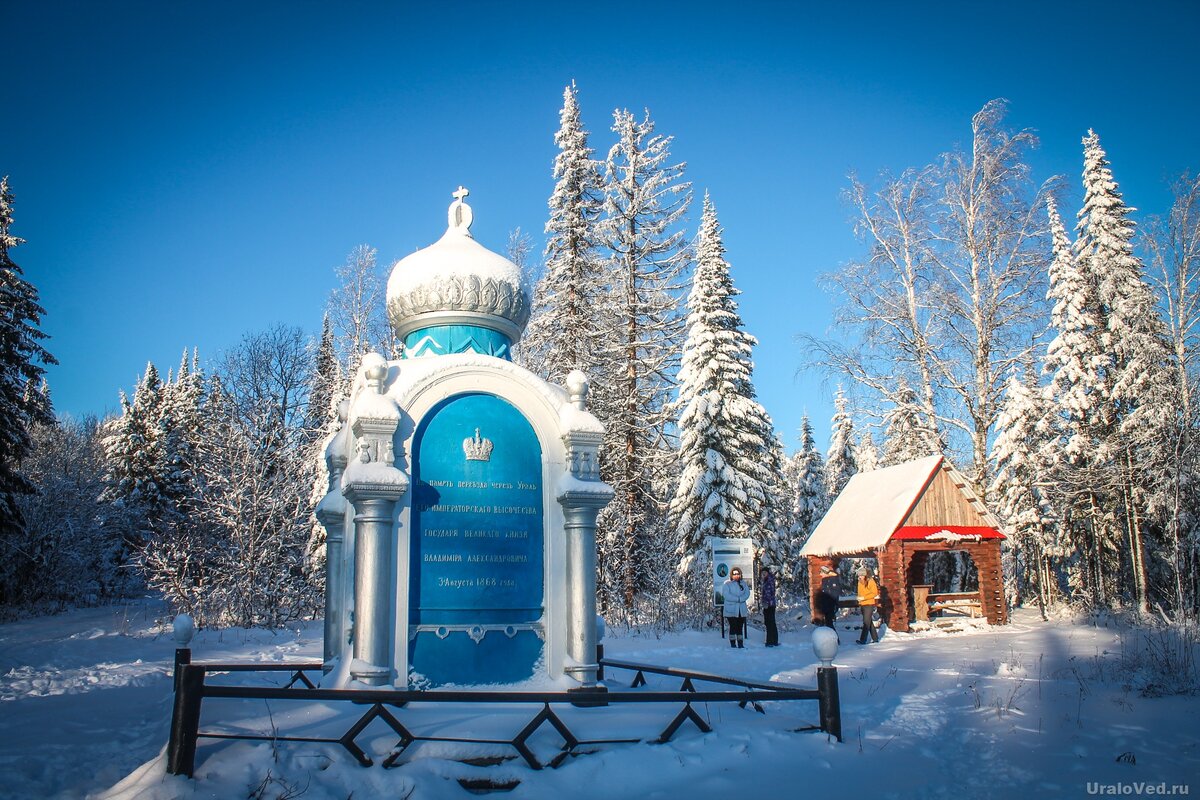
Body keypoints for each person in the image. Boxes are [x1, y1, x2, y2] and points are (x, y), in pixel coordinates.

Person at [721, 567, 752, 648]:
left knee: (740, 627)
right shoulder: (727, 584)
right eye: (734, 574)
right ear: (731, 575)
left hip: (741, 609)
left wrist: (741, 599)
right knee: (733, 626)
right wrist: (737, 599)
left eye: (738, 574)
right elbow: (726, 595)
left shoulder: (743, 583)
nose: (736, 575)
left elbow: (747, 593)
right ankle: (733, 643)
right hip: (731, 610)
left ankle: (740, 643)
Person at [856, 566, 880, 644]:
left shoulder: (870, 581)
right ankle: (875, 638)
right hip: (863, 604)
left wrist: (864, 598)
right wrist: (859, 599)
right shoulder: (859, 582)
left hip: (869, 603)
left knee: (866, 622)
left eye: (861, 575)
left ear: (865, 575)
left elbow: (874, 593)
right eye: (859, 575)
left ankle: (863, 640)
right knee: (869, 622)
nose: (859, 577)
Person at [815, 564, 841, 629]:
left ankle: (835, 638)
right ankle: (832, 638)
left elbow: (835, 593)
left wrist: (835, 605)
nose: (820, 574)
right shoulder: (824, 580)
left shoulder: (833, 579)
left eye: (821, 572)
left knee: (829, 624)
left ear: (825, 572)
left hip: (831, 606)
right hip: (826, 606)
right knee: (828, 624)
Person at [760, 567, 779, 647]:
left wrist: (766, 602)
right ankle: (772, 640)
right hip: (769, 604)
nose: (763, 574)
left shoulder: (769, 580)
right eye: (762, 573)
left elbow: (769, 593)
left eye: (765, 572)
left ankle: (771, 641)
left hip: (769, 605)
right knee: (770, 623)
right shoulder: (767, 580)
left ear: (768, 573)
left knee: (769, 623)